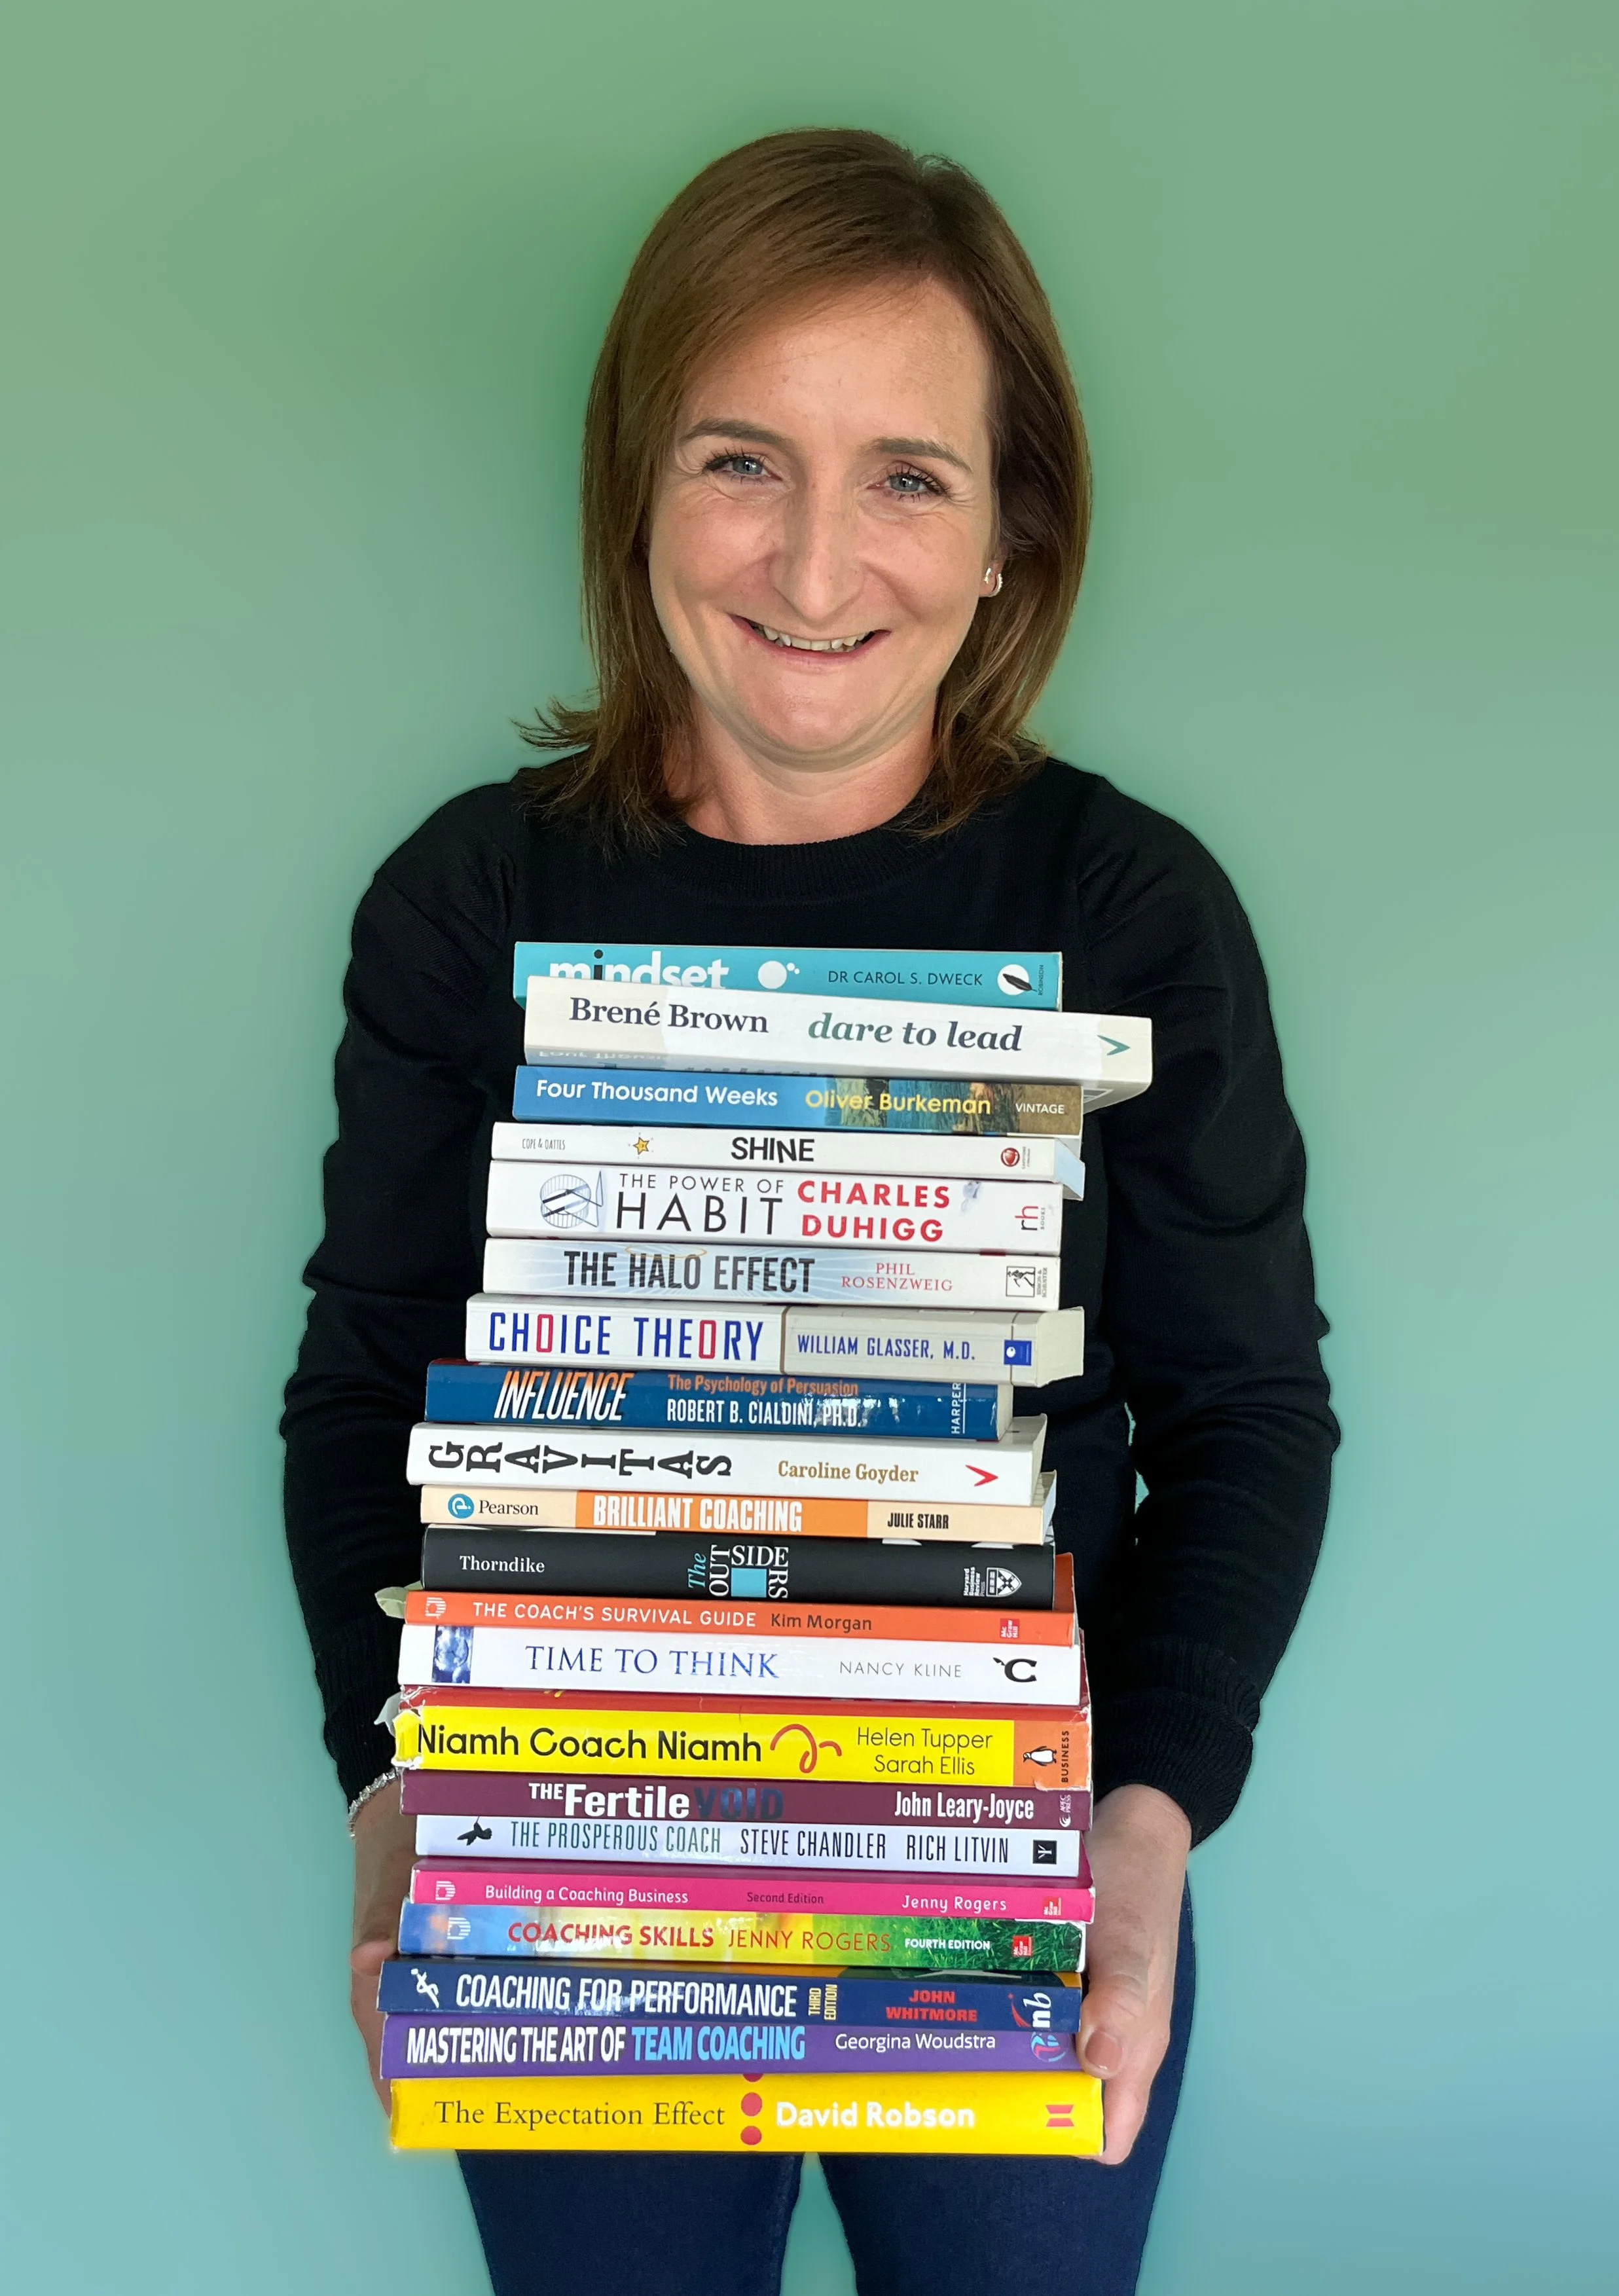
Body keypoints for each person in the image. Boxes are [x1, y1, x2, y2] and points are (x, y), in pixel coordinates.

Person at [282, 128, 1337, 2296]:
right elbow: (365, 1381)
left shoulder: (1121, 906)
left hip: (1016, 1858)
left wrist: (1139, 1837)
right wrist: (395, 1797)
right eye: (739, 459)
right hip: (572, 1851)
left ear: (1007, 526)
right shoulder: (474, 900)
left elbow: (1245, 1412)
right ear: (637, 489)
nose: (813, 559)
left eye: (908, 476)